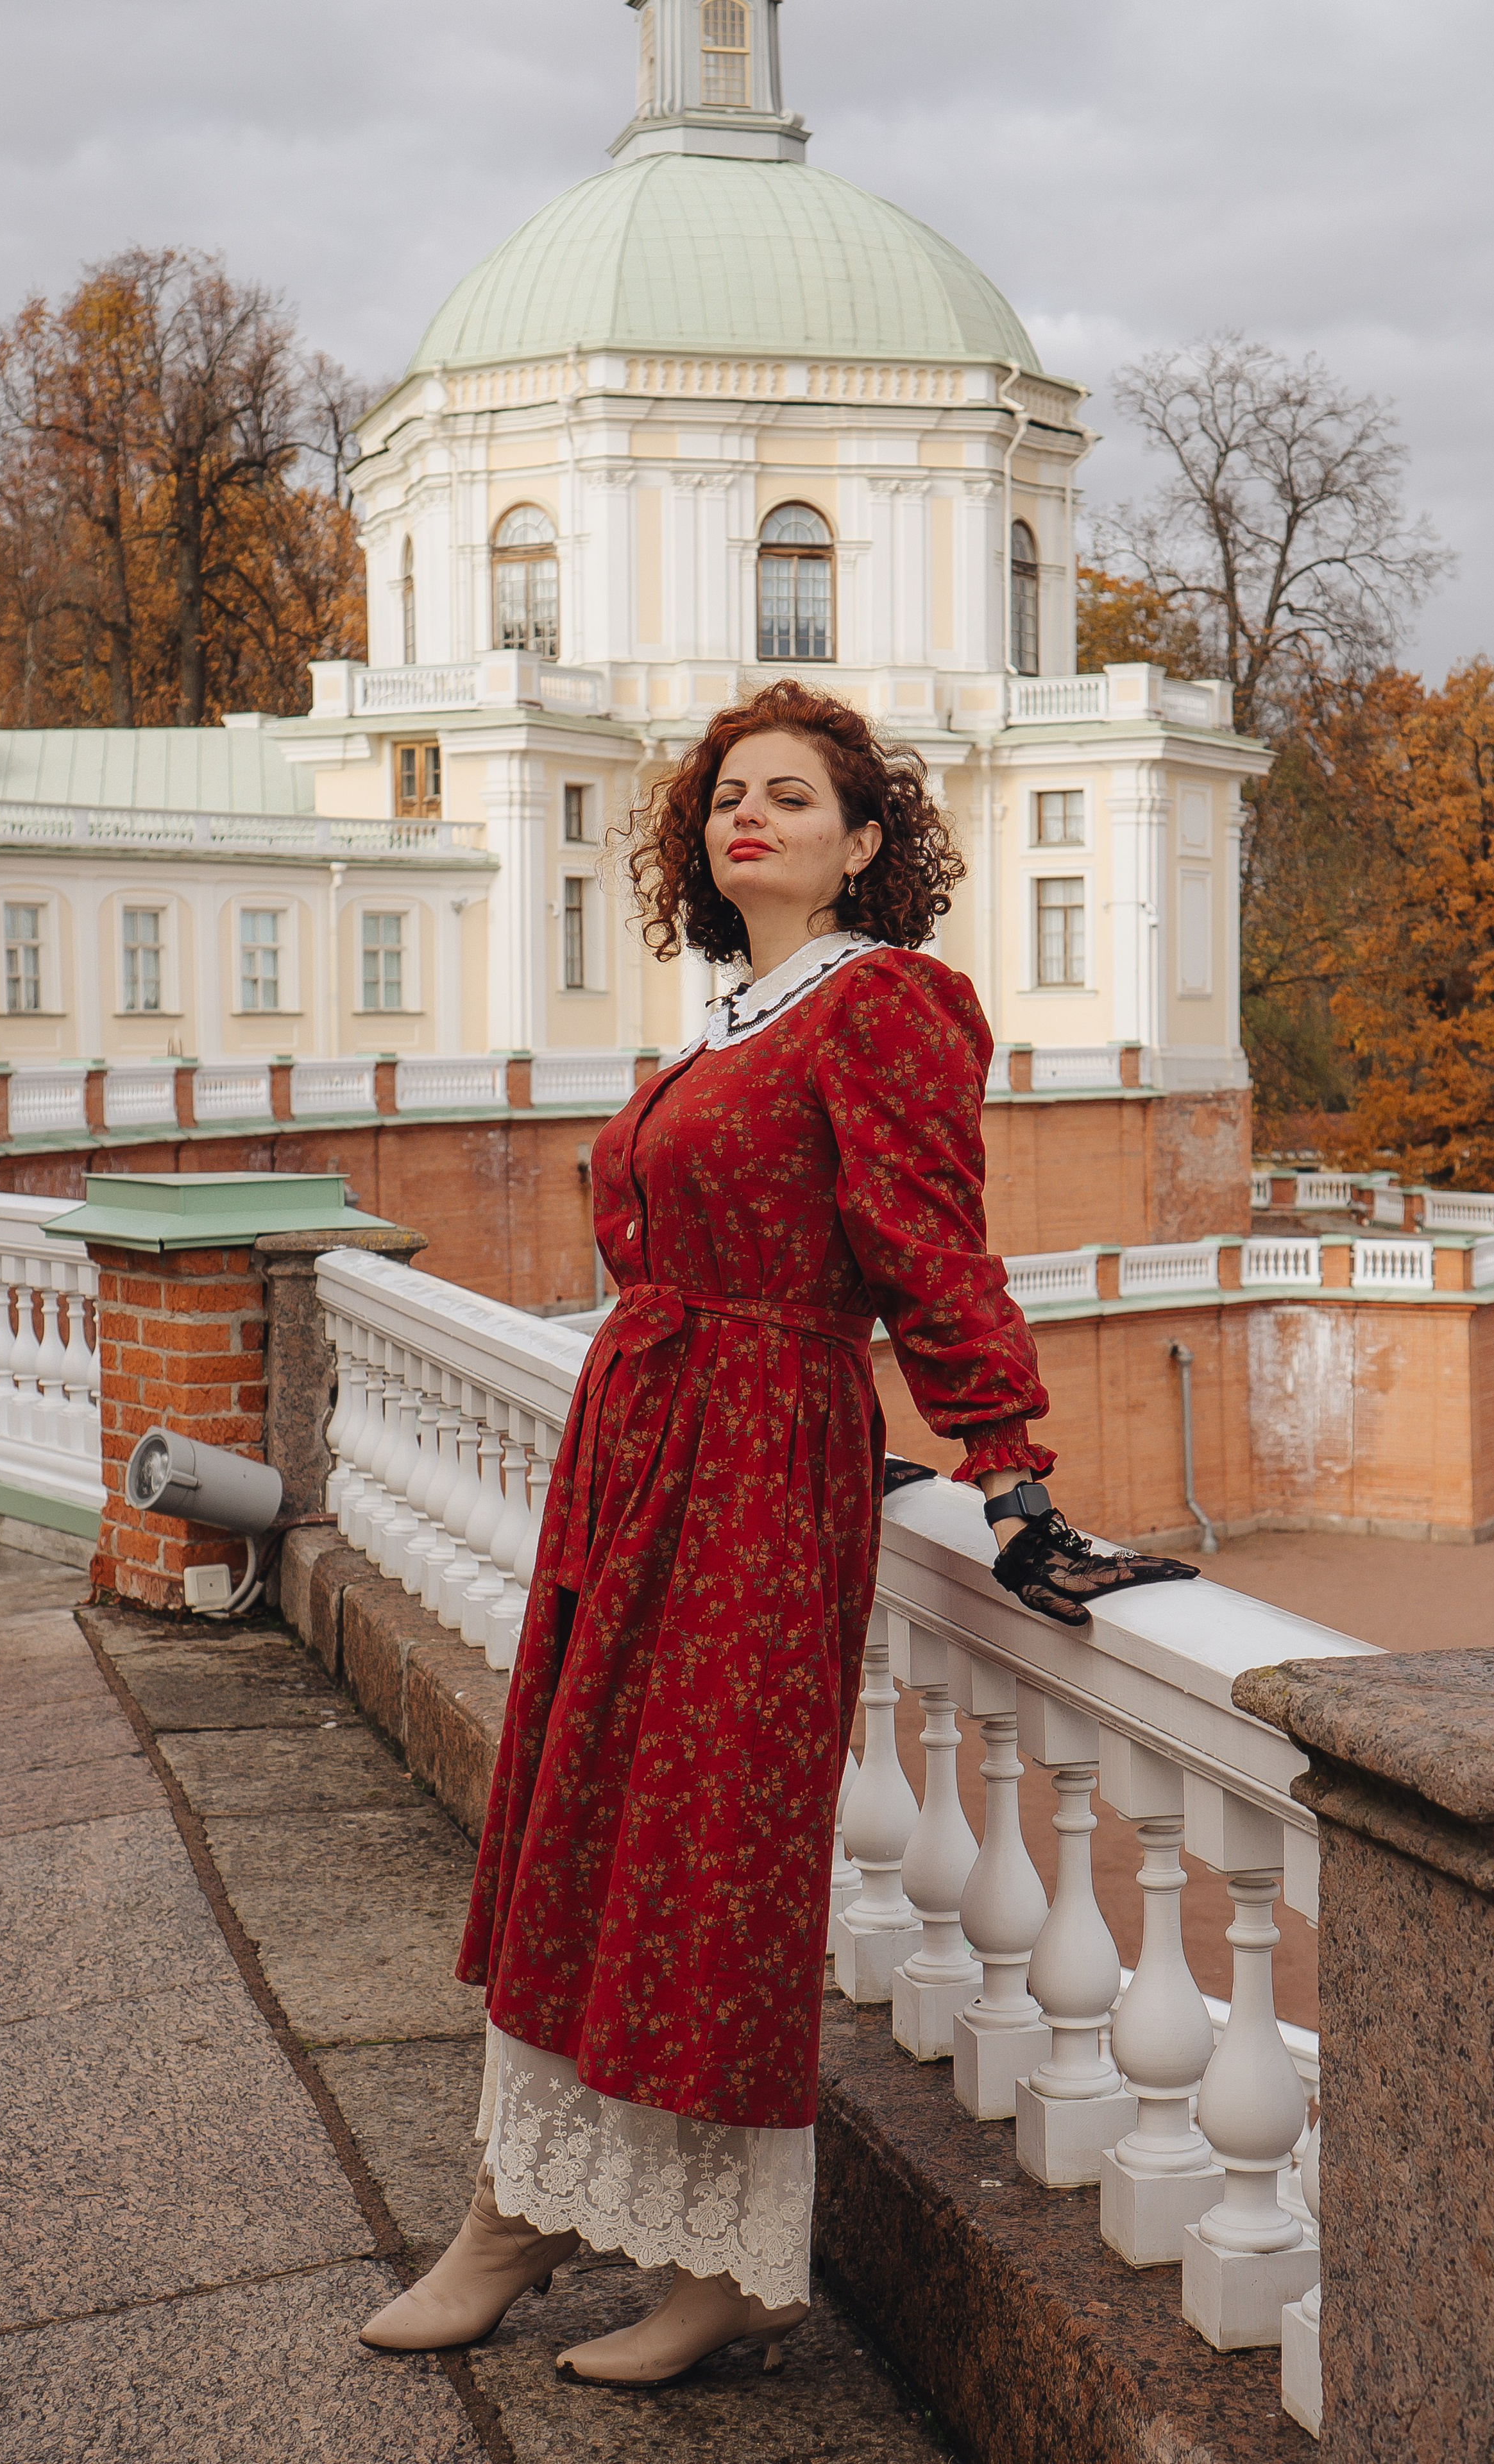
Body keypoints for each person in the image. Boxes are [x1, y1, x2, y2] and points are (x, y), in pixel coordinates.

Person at [360, 679, 1194, 2385]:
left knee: (711, 1849)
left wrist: (1007, 1473)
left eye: (795, 796)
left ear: (866, 842)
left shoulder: (882, 1003)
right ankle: (522, 2205)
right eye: (730, 795)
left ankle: (724, 2259)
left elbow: (930, 1247)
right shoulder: (734, 1020)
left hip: (751, 1470)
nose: (751, 815)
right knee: (588, 1824)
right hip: (649, 1451)